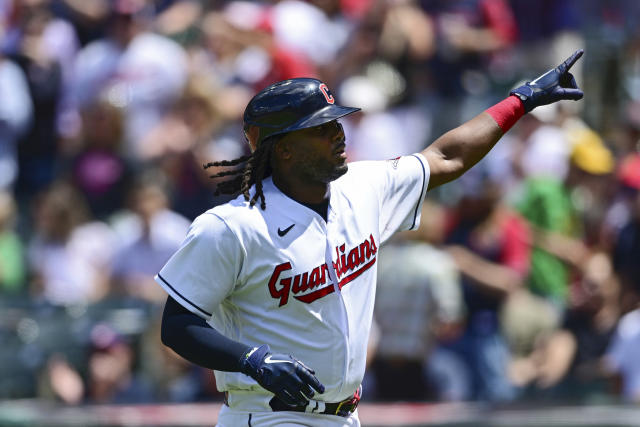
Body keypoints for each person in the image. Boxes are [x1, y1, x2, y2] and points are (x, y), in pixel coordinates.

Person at [158, 50, 584, 426]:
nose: (339, 134)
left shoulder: (364, 188)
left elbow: (445, 156)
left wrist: (521, 100)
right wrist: (250, 359)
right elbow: (178, 325)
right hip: (269, 416)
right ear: (282, 148)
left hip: (346, 416)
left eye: (336, 122)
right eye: (320, 129)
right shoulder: (232, 227)